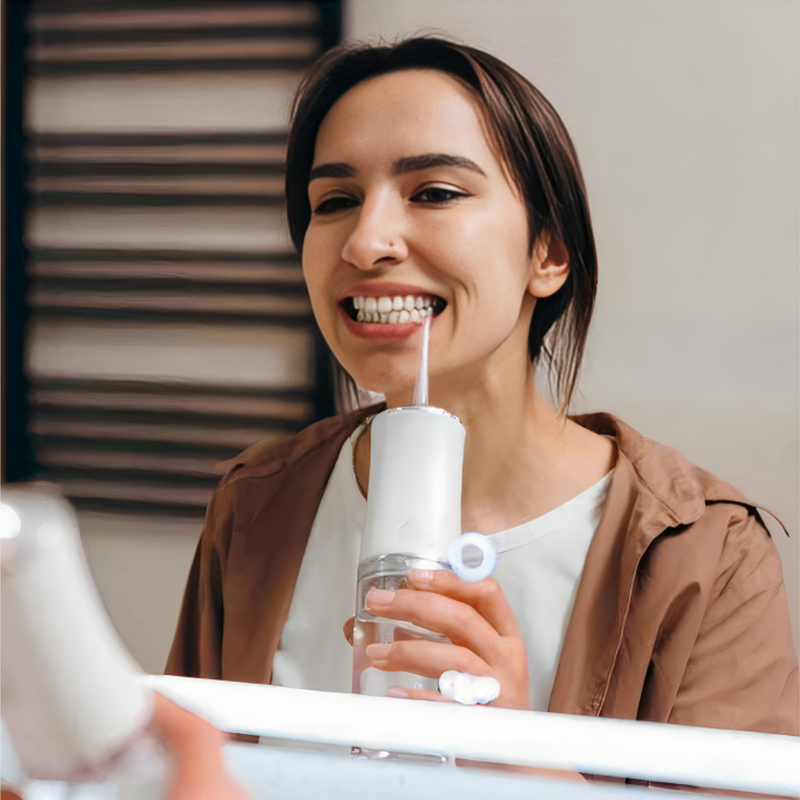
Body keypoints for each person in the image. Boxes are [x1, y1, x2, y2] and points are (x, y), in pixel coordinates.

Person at [166, 36, 798, 736]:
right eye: (335, 200)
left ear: (548, 253)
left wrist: (524, 762)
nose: (365, 242)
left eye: (434, 192)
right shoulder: (257, 505)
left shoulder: (704, 556)